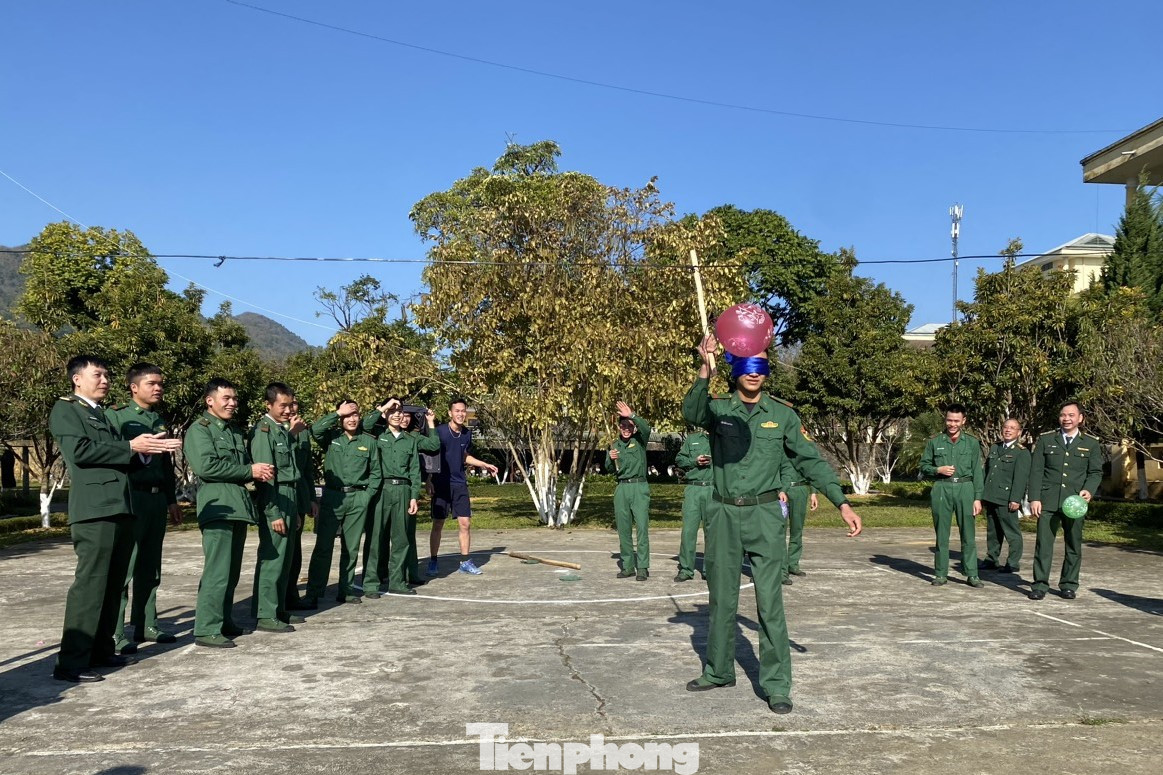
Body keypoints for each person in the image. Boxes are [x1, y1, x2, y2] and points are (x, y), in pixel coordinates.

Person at [683, 337, 862, 715]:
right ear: (736, 369)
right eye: (747, 364)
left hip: (765, 515)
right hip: (724, 513)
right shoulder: (718, 409)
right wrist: (706, 367)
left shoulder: (782, 415)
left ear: (767, 370)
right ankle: (718, 670)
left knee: (770, 603)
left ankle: (777, 684)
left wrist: (841, 501)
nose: (754, 372)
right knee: (722, 598)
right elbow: (692, 413)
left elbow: (810, 460)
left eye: (761, 364)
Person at [49, 355, 182, 682]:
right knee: (91, 585)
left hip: (121, 506)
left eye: (107, 374)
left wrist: (148, 451)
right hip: (95, 510)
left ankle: (102, 650)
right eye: (98, 374)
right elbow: (80, 452)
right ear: (77, 379)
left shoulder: (102, 416)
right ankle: (72, 662)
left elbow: (120, 459)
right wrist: (130, 447)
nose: (105, 379)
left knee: (111, 585)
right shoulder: (67, 409)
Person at [185, 378, 274, 648]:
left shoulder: (233, 431)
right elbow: (206, 467)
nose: (232, 403)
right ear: (209, 400)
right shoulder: (200, 430)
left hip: (236, 505)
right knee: (218, 571)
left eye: (234, 399)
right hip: (218, 506)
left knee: (232, 571)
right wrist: (250, 471)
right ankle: (207, 628)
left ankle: (223, 620)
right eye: (226, 398)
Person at [107, 363, 184, 653]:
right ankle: (115, 632)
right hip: (131, 496)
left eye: (160, 383)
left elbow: (165, 465)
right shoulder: (116, 417)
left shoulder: (157, 420)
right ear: (133, 387)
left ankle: (146, 624)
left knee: (151, 565)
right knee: (126, 565)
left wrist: (171, 499)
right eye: (152, 383)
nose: (158, 388)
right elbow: (113, 455)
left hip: (154, 499)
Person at [1026, 402, 1103, 601]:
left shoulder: (1091, 444)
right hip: (1048, 501)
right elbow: (1036, 471)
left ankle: (1068, 584)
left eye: (1071, 415)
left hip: (1075, 503)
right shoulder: (1046, 440)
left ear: (1080, 418)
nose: (1066, 419)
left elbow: (1095, 472)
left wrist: (1088, 490)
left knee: (1073, 545)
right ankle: (1039, 584)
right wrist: (1034, 498)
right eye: (1063, 415)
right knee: (1043, 545)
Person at [304, 399, 376, 606]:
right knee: (323, 547)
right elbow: (315, 429)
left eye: (355, 414)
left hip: (357, 498)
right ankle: (314, 592)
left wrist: (366, 496)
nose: (352, 419)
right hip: (333, 498)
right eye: (347, 415)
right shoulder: (331, 438)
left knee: (351, 547)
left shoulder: (368, 441)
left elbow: (376, 472)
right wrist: (337, 413)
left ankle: (346, 589)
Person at [249, 382, 304, 632]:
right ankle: (265, 614)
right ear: (268, 405)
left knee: (286, 559)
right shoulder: (263, 432)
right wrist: (273, 513)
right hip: (276, 497)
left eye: (290, 404)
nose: (288, 409)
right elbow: (265, 476)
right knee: (273, 559)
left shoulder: (281, 431)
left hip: (289, 497)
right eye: (282, 405)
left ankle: (279, 608)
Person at [427, 398, 498, 576]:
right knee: (438, 523)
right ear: (450, 413)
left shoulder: (466, 433)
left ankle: (465, 562)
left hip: (459, 483)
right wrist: (428, 480)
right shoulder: (440, 431)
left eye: (463, 411)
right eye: (457, 410)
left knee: (465, 523)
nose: (460, 414)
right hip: (440, 483)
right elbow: (430, 455)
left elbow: (464, 455)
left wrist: (484, 464)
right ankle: (433, 561)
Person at [363, 398, 425, 597]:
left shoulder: (410, 440)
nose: (397, 414)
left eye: (400, 411)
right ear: (386, 414)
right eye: (393, 411)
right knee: (376, 538)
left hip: (403, 490)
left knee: (402, 538)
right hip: (382, 489)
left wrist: (414, 496)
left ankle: (397, 581)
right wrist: (383, 407)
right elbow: (365, 424)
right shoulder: (378, 435)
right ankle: (371, 583)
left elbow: (415, 471)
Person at [919, 404, 984, 588]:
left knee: (968, 535)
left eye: (956, 420)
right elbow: (923, 467)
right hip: (942, 488)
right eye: (949, 420)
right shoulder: (935, 442)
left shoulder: (972, 442)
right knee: (942, 534)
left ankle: (972, 574)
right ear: (945, 419)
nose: (952, 424)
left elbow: (977, 472)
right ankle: (940, 574)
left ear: (964, 421)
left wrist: (977, 497)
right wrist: (937, 469)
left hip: (965, 488)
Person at [606, 401, 652, 580]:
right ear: (618, 427)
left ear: (633, 428)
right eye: (623, 425)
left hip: (639, 487)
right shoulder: (614, 445)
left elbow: (646, 428)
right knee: (623, 529)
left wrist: (631, 415)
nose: (626, 428)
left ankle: (642, 567)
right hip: (622, 488)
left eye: (629, 426)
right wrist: (611, 459)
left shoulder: (640, 441)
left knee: (641, 528)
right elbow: (610, 469)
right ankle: (627, 566)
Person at [980, 418, 1031, 575]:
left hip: (1007, 498)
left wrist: (1016, 499)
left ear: (1019, 432)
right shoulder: (995, 447)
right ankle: (991, 559)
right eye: (1005, 427)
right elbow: (988, 472)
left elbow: (1021, 478)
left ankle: (1013, 562)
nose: (1008, 430)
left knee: (1011, 531)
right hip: (991, 495)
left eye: (1012, 428)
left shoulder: (1021, 452)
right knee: (993, 531)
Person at [284, 399, 316, 610]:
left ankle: (291, 597)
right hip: (282, 497)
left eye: (294, 404)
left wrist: (312, 498)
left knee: (295, 554)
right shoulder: (270, 430)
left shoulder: (303, 431)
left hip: (300, 496)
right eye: (287, 404)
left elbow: (306, 470)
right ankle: (276, 603)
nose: (291, 409)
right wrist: (291, 433)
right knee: (281, 553)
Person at [674, 428, 712, 582]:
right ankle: (686, 569)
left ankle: (710, 569)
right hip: (693, 488)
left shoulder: (723, 438)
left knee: (713, 533)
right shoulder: (692, 439)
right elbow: (680, 460)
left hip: (713, 488)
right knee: (688, 531)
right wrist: (694, 461)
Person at [778, 457, 818, 585]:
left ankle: (793, 564)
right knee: (780, 531)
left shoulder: (802, 446)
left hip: (800, 489)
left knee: (797, 529)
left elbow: (811, 468)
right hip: (781, 491)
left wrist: (813, 492)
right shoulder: (778, 445)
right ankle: (781, 571)